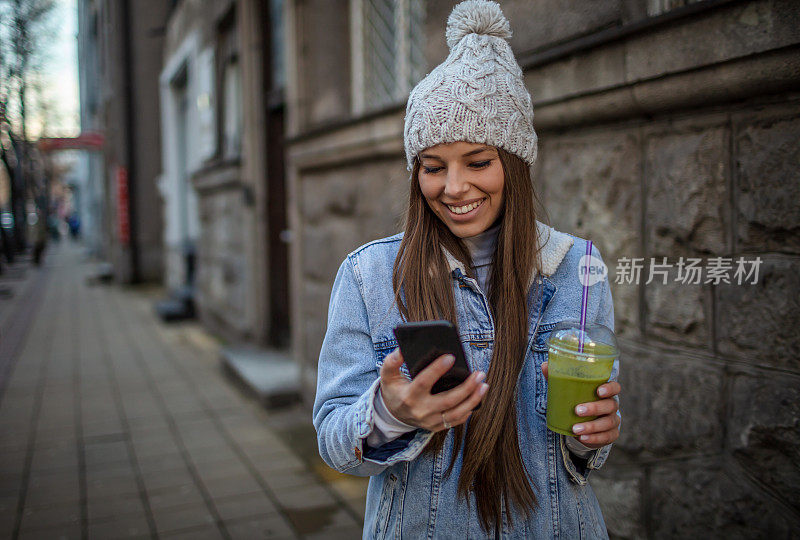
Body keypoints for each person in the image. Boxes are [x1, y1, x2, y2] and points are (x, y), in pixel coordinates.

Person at [313, 1, 622, 538]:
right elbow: (334, 440)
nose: (454, 187)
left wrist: (591, 435)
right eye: (433, 168)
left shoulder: (576, 267)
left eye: (478, 162)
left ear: (516, 165)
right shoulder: (369, 274)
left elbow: (581, 451)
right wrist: (390, 415)